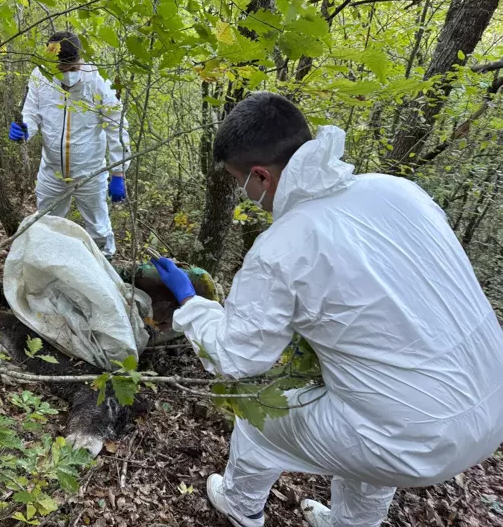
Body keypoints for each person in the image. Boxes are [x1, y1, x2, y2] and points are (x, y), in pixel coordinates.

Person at [151, 92, 503, 527]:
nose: (243, 192)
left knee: (258, 410)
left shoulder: (285, 244)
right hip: (491, 408)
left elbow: (237, 358)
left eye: (239, 180)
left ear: (260, 175)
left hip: (414, 439)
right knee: (369, 403)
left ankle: (240, 504)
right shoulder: (397, 190)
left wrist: (188, 302)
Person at [8, 31, 130, 259]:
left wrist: (118, 172)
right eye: (62, 70)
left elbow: (117, 126)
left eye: (73, 69)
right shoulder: (40, 76)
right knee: (47, 227)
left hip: (90, 172)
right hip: (52, 172)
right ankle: (50, 268)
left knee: (99, 230)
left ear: (80, 61)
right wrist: (24, 128)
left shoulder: (98, 79)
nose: (68, 75)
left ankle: (106, 269)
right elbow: (32, 113)